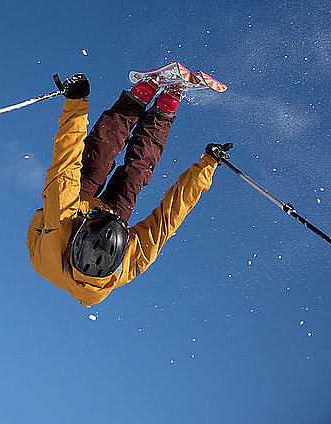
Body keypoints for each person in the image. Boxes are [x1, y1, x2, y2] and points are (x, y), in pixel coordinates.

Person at [27, 68, 232, 306]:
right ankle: (168, 101)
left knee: (98, 157)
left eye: (103, 215)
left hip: (59, 221)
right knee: (136, 174)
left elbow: (66, 160)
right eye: (111, 217)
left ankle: (140, 94)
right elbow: (171, 216)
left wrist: (76, 102)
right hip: (98, 224)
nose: (107, 210)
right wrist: (208, 165)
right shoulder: (130, 262)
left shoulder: (60, 222)